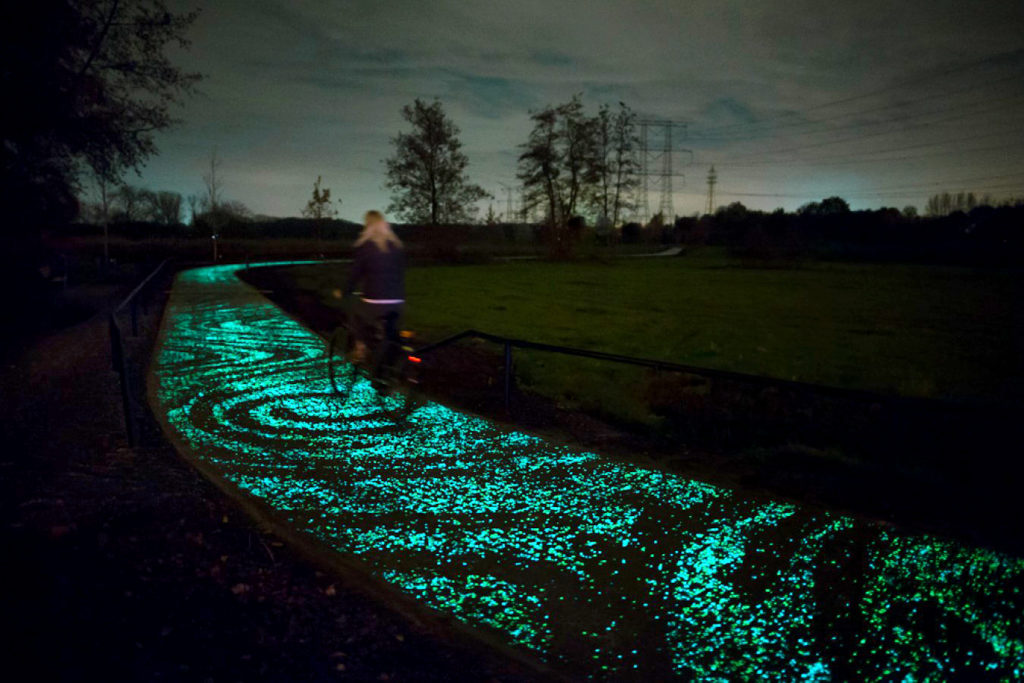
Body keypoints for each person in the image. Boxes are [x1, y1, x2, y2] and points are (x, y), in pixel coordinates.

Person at [342, 210, 405, 363]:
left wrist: (346, 291)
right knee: (390, 331)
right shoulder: (396, 246)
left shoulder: (366, 247)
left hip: (375, 301)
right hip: (397, 301)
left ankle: (360, 350)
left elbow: (355, 274)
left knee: (357, 316)